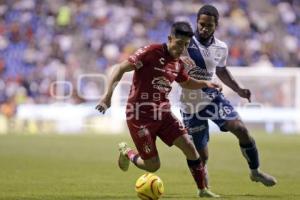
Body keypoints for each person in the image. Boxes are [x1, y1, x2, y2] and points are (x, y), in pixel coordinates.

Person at [96, 21, 221, 198]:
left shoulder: (178, 63)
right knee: (153, 166)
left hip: (163, 114)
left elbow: (185, 82)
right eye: (179, 43)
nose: (181, 49)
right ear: (170, 39)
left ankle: (202, 190)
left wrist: (205, 83)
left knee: (190, 147)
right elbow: (120, 68)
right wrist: (107, 96)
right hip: (139, 116)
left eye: (185, 45)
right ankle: (128, 152)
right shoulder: (151, 52)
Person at [179, 4, 277, 195]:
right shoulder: (184, 43)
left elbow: (222, 71)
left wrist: (239, 89)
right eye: (201, 24)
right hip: (190, 104)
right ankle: (203, 172)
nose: (204, 28)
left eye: (209, 25)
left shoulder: (221, 47)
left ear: (216, 25)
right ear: (196, 22)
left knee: (240, 128)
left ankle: (255, 171)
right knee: (202, 156)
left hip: (213, 99)